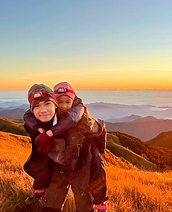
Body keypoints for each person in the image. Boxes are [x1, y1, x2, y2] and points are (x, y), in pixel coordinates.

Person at [23, 83, 108, 212]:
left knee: (83, 204)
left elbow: (82, 122)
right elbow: (28, 116)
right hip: (58, 167)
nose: (63, 106)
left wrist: (50, 134)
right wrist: (41, 131)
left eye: (67, 101)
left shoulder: (82, 117)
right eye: (59, 102)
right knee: (51, 204)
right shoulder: (50, 115)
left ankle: (100, 202)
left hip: (81, 166)